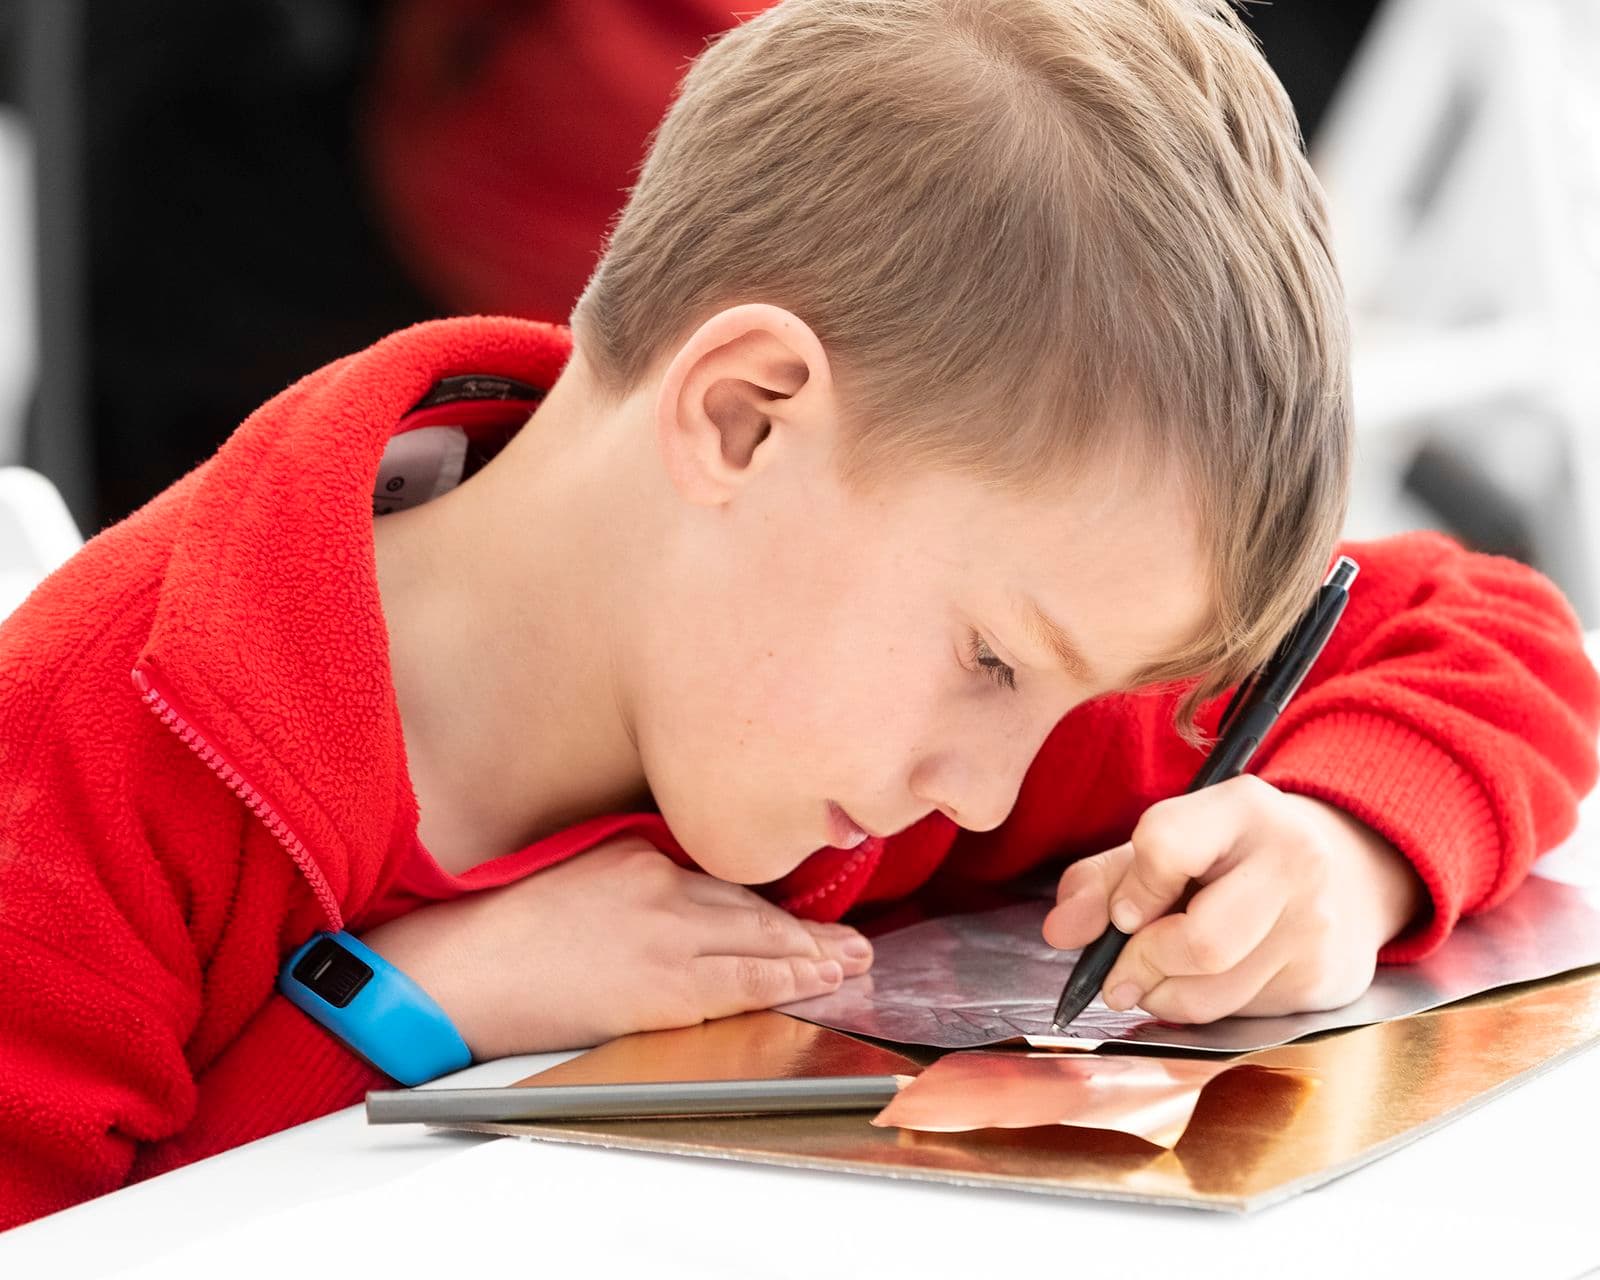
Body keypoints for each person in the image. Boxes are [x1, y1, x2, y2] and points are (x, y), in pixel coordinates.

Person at [1, 0, 1594, 1232]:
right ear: (748, 418)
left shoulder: (897, 646)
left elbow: (1492, 633)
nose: (991, 785)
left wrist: (1339, 841)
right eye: (993, 662)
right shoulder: (102, 751)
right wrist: (417, 1017)